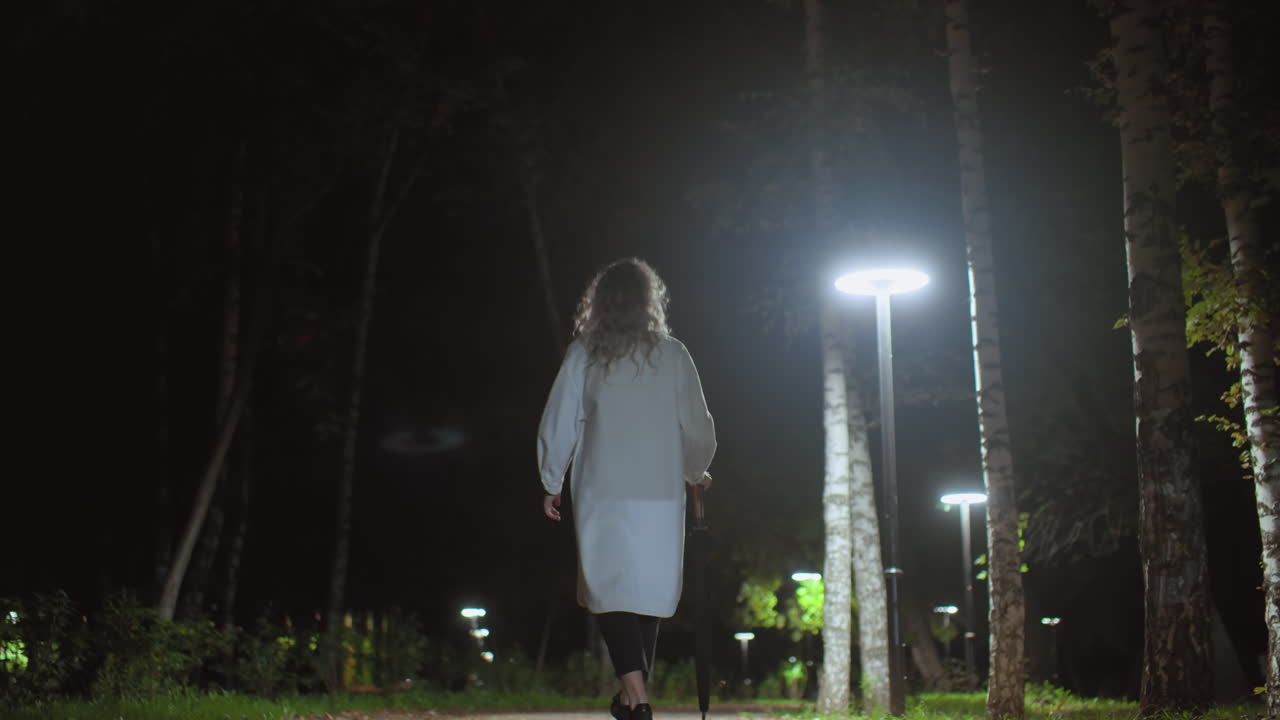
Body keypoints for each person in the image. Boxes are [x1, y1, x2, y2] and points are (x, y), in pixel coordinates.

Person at [537, 257, 717, 720]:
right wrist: (696, 470)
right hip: (659, 492)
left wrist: (551, 478)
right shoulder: (674, 354)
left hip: (604, 490)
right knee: (644, 589)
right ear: (648, 301)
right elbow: (698, 427)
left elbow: (561, 420)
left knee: (610, 586)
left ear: (598, 305)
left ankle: (635, 699)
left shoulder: (585, 354)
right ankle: (633, 697)